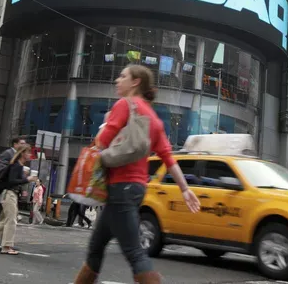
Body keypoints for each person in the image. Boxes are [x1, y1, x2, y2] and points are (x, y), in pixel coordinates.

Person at [73, 65, 200, 284]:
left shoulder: (125, 105)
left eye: (122, 76)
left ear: (135, 82)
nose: (117, 80)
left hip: (120, 188)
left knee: (134, 253)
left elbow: (102, 141)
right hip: (134, 189)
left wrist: (103, 130)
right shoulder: (153, 118)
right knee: (96, 247)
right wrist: (185, 189)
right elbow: (168, 159)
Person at [0, 145, 37, 255]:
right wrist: (27, 179)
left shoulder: (17, 165)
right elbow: (12, 181)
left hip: (10, 194)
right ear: (23, 153)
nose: (30, 155)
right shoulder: (17, 165)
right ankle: (6, 246)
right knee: (11, 220)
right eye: (28, 153)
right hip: (9, 194)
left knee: (8, 219)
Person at [0, 137, 26, 227]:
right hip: (5, 187)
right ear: (15, 144)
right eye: (21, 143)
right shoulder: (8, 153)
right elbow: (2, 169)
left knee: (4, 214)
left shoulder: (19, 155)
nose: (23, 145)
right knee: (0, 212)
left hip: (13, 188)